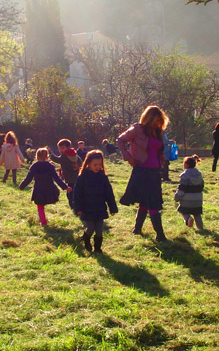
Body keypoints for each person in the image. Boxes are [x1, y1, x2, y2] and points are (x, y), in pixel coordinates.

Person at [118, 105, 170, 241]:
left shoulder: (158, 132)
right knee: (152, 202)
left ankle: (137, 229)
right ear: (150, 118)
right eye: (157, 120)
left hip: (155, 171)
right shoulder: (138, 129)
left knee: (147, 201)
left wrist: (162, 163)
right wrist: (128, 157)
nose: (159, 123)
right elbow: (120, 140)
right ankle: (160, 235)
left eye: (160, 120)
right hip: (141, 170)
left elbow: (159, 151)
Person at [73, 150, 118, 253]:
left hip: (100, 207)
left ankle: (98, 249)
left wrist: (112, 207)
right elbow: (77, 194)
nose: (98, 167)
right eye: (95, 164)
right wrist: (78, 208)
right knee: (90, 228)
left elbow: (109, 194)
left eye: (100, 164)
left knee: (99, 230)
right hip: (87, 208)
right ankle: (86, 238)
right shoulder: (82, 177)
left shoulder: (103, 177)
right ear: (88, 163)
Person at [19, 147, 71, 226]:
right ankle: (52, 217)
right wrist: (65, 187)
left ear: (37, 156)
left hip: (39, 189)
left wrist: (22, 186)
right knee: (50, 201)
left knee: (40, 207)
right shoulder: (50, 166)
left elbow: (28, 179)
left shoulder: (34, 166)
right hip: (50, 189)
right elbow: (57, 178)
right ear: (47, 156)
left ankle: (43, 223)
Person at [49, 138, 82, 210]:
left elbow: (58, 160)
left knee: (70, 192)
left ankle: (72, 205)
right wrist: (77, 166)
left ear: (68, 147)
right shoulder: (74, 153)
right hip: (76, 175)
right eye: (59, 148)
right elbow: (80, 161)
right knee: (76, 190)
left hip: (69, 177)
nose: (61, 150)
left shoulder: (64, 156)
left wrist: (50, 153)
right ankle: (78, 203)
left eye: (63, 148)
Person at [174, 155, 205, 229]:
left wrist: (177, 197)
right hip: (198, 199)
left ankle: (188, 219)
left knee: (182, 210)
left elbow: (182, 189)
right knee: (197, 213)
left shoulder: (184, 175)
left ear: (186, 165)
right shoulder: (199, 174)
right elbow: (202, 186)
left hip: (187, 200)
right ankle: (200, 227)